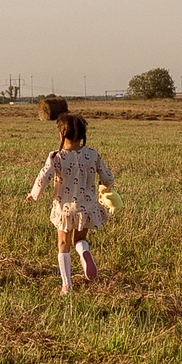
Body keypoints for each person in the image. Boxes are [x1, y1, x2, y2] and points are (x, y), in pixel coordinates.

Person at [28, 112, 114, 293]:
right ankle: (84, 253)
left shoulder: (57, 157)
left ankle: (66, 285)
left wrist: (34, 194)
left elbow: (44, 176)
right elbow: (105, 175)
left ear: (61, 134)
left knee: (63, 245)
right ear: (83, 135)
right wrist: (106, 186)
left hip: (65, 208)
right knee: (80, 239)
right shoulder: (92, 154)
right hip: (87, 207)